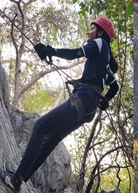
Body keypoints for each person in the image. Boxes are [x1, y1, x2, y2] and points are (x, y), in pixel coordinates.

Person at [1, 16, 119, 192]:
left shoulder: (101, 44)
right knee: (50, 139)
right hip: (89, 109)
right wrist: (105, 99)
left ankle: (17, 179)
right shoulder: (105, 61)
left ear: (101, 32)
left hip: (83, 99)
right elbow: (115, 86)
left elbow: (75, 53)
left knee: (40, 126)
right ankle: (21, 178)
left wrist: (50, 50)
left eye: (92, 28)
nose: (89, 31)